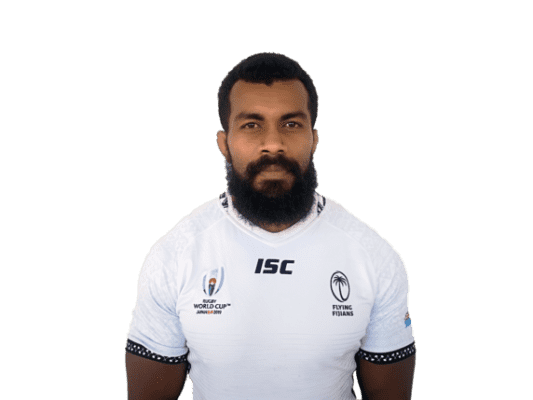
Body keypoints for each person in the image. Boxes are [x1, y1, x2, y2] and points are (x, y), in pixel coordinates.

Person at [124, 52, 416, 400]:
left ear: (314, 139)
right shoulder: (174, 255)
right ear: (224, 144)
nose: (273, 144)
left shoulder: (373, 256)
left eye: (291, 124)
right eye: (252, 125)